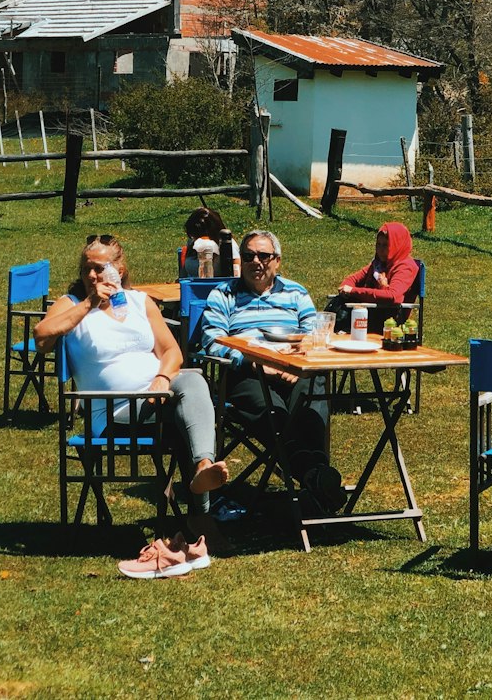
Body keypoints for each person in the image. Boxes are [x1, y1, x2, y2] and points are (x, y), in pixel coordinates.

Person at [34, 235, 230, 563]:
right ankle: (203, 511)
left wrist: (161, 379)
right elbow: (42, 337)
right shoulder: (71, 303)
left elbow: (171, 352)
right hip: (113, 410)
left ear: (120, 269)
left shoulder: (140, 302)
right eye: (86, 269)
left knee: (190, 384)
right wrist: (88, 304)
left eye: (99, 269)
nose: (92, 276)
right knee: (193, 388)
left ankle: (202, 470)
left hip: (159, 398)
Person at [200, 229, 345, 515]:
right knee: (276, 415)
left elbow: (314, 334)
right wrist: (254, 363)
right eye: (249, 255)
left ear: (277, 261)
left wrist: (298, 362)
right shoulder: (224, 295)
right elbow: (211, 341)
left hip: (295, 370)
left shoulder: (295, 292)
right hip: (247, 373)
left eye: (264, 255)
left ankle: (312, 476)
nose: (257, 262)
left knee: (314, 392)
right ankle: (315, 476)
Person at [328, 221, 420, 332]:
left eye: (386, 245)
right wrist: (346, 289)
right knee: (336, 306)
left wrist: (353, 291)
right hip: (371, 310)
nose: (380, 250)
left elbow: (393, 297)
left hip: (388, 319)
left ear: (397, 245)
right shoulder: (378, 264)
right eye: (378, 244)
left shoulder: (405, 267)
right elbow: (352, 279)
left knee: (341, 317)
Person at [180, 206, 240, 279]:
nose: (195, 239)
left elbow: (236, 275)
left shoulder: (228, 245)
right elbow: (183, 274)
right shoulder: (193, 241)